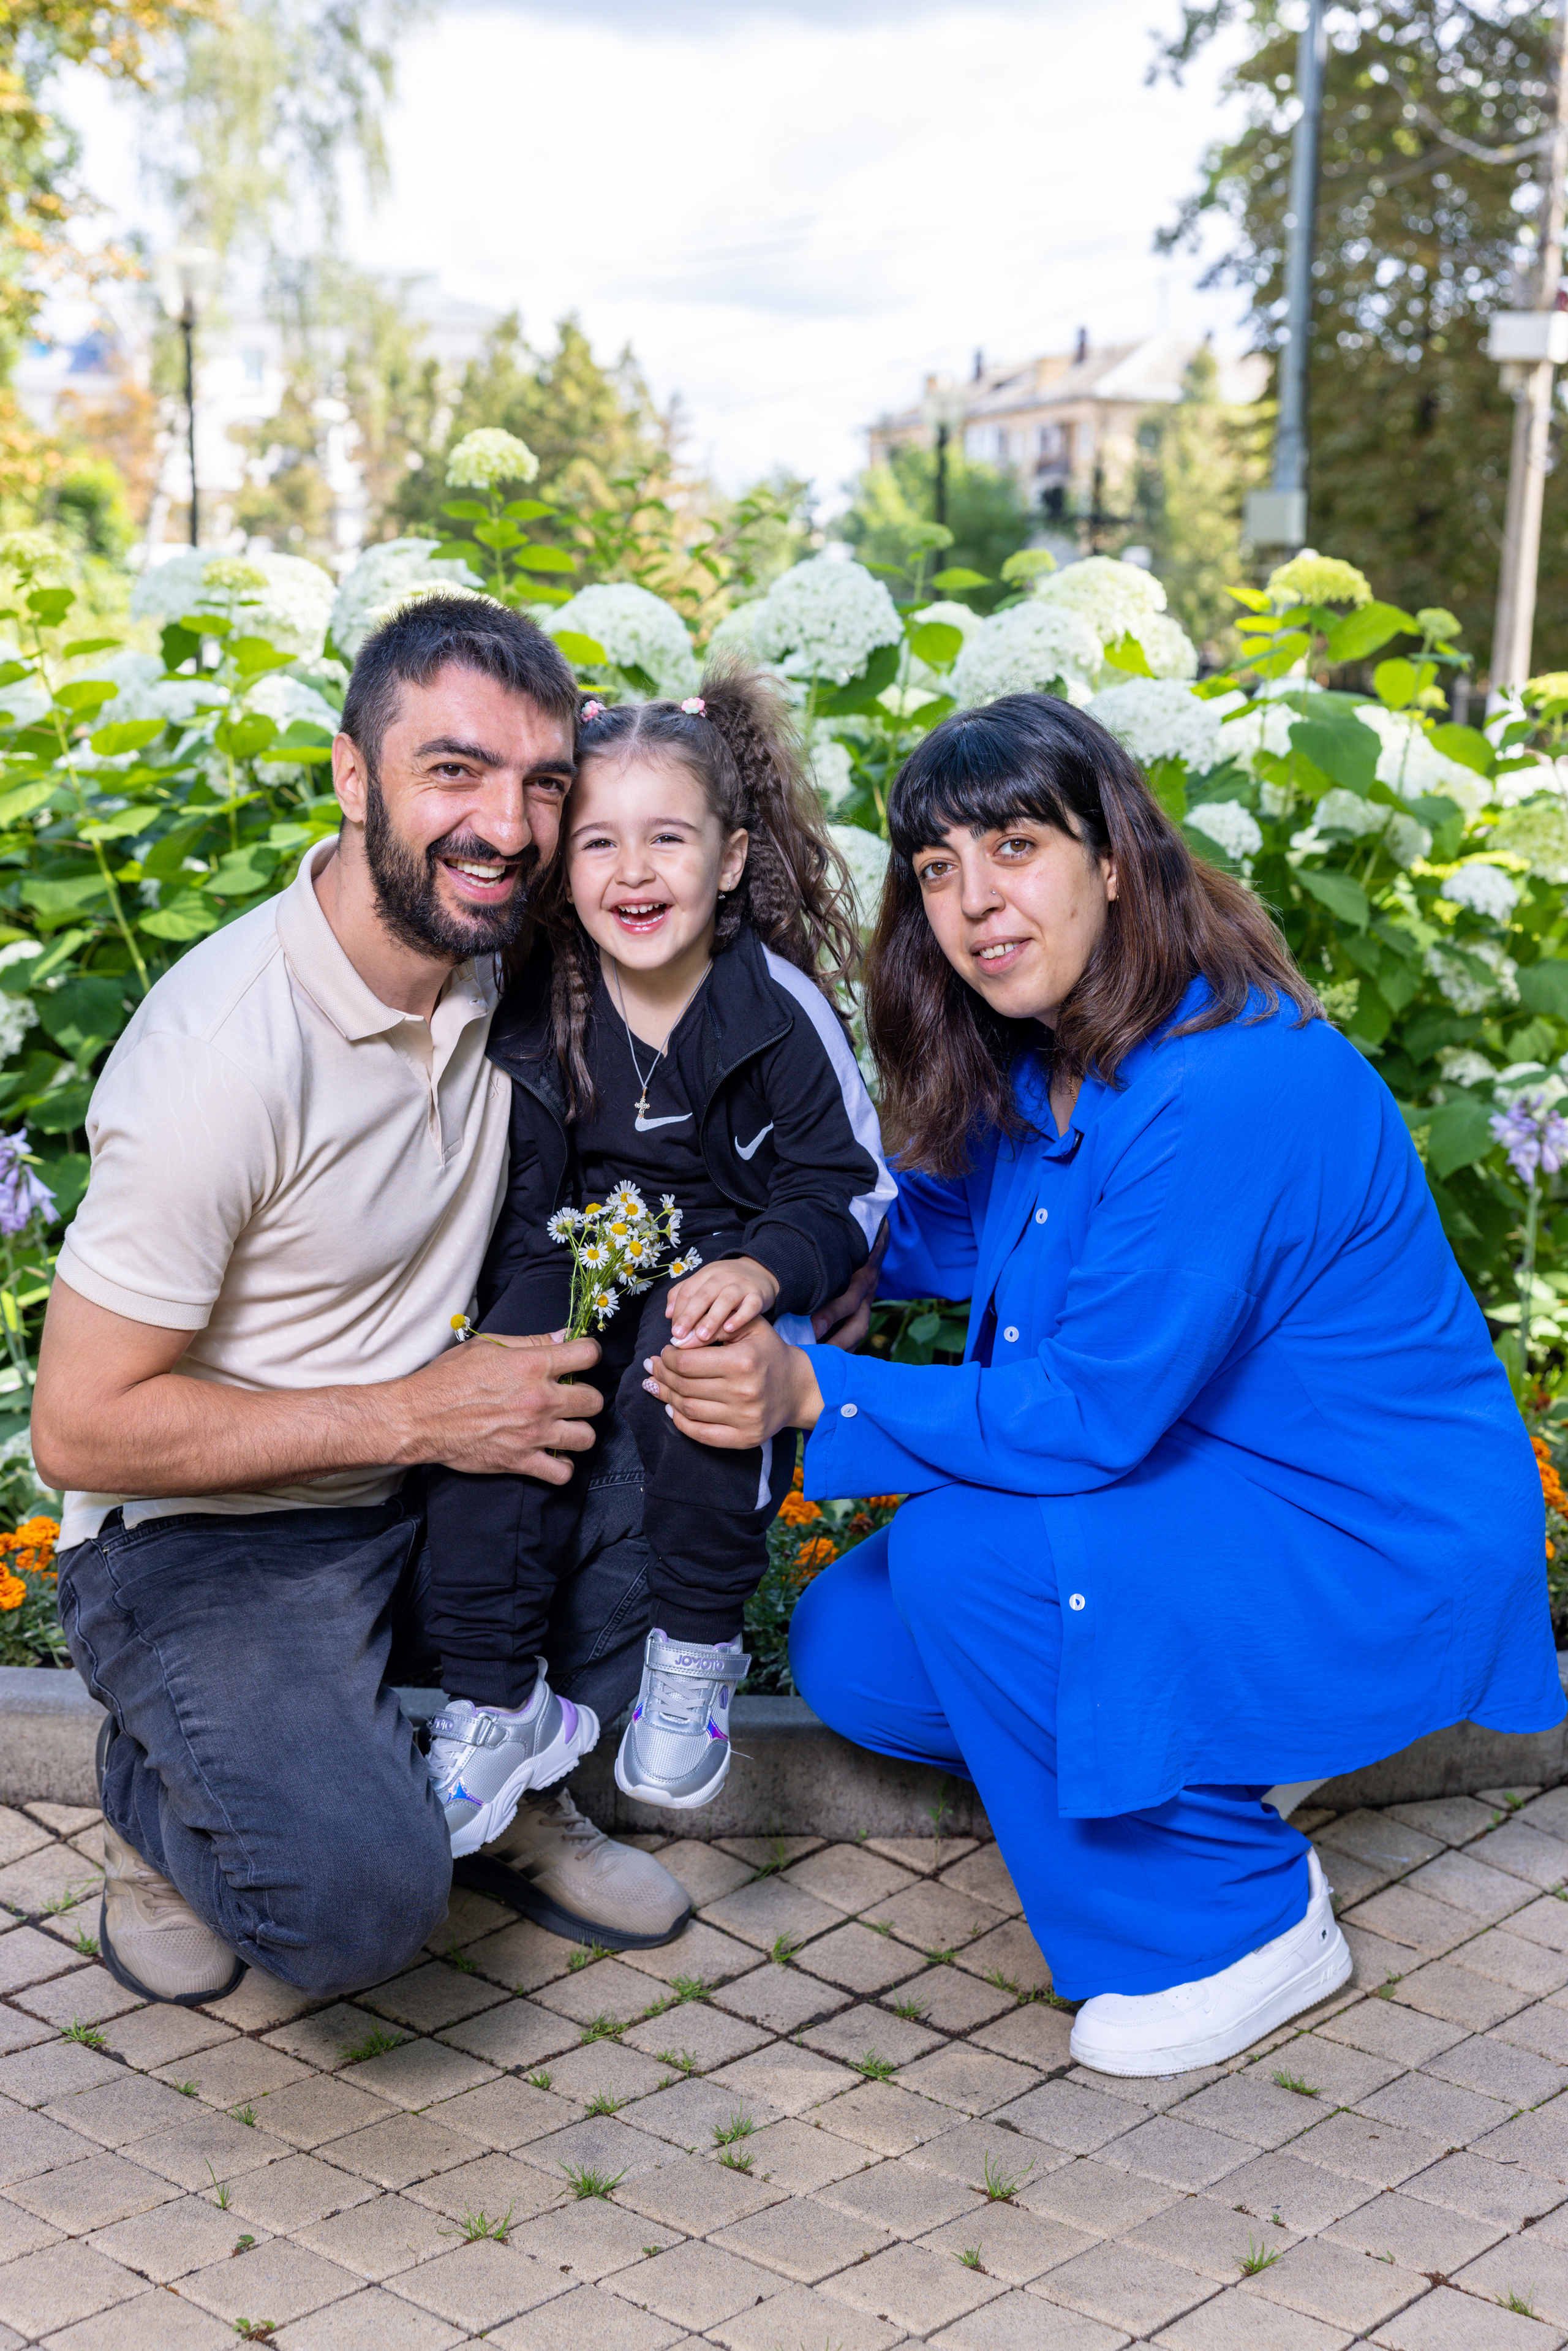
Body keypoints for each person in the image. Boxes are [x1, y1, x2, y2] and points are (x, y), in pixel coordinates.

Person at [647, 690, 1564, 2080]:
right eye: (939, 870)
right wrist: (797, 1261)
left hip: (1363, 1536)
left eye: (1014, 846)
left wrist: (804, 1394)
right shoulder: (1058, 1055)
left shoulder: (1228, 1089)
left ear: (1115, 859)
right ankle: (1202, 1746)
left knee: (968, 1563)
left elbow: (1087, 1412)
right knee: (853, 1645)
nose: (972, 901)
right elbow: (944, 1228)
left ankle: (1232, 1919)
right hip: (1214, 1499)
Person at [29, 595, 699, 2007]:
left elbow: (712, 929)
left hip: (440, 1481)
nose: (506, 826)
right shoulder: (218, 1054)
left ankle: (510, 1780)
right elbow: (80, 1433)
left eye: (540, 784)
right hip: (212, 1536)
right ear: (352, 777)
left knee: (688, 1421)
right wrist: (416, 1411)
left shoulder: (507, 954)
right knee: (351, 1917)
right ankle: (162, 1787)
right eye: (452, 770)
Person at [421, 666, 894, 1840]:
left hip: (731, 1254)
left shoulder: (777, 1011)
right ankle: (495, 1699)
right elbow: (529, 1191)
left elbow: (845, 1186)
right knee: (501, 1410)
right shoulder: (539, 1001)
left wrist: (772, 1270)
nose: (632, 872)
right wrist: (524, 1318)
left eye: (667, 838)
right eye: (597, 844)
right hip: (580, 1246)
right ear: (559, 866)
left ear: (728, 860)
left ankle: (693, 1648)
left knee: (695, 1381)